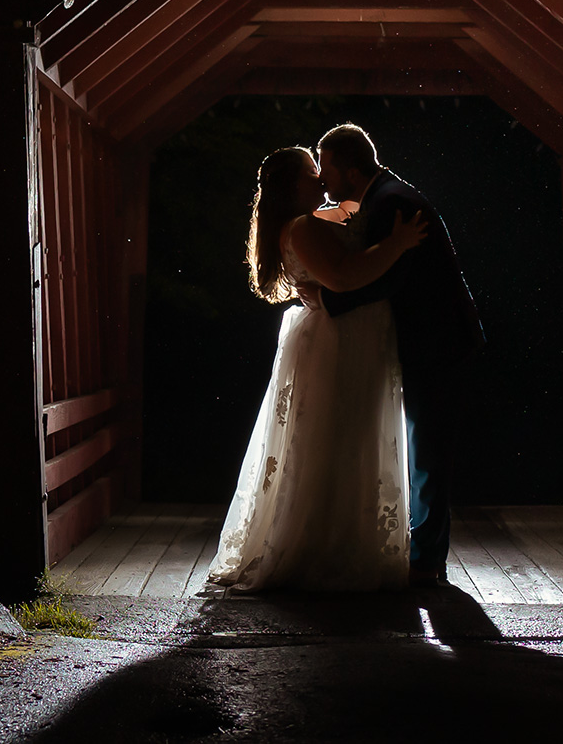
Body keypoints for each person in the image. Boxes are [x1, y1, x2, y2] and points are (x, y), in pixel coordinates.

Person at [203, 145, 429, 592]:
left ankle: (338, 538)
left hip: (334, 336)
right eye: (312, 173)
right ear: (292, 186)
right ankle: (328, 547)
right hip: (337, 342)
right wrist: (398, 244)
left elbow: (347, 212)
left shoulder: (305, 222)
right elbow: (345, 277)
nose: (320, 179)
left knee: (334, 440)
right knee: (338, 440)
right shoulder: (303, 227)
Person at [303, 124, 484, 587]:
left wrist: (327, 298)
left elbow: (387, 278)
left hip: (439, 342)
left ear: (347, 167)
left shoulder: (392, 203)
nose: (322, 179)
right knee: (425, 448)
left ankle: (426, 563)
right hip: (431, 339)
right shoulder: (381, 196)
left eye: (325, 167)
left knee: (428, 452)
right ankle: (424, 556)